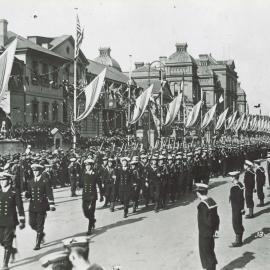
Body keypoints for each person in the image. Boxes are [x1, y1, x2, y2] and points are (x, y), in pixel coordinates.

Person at [25, 164, 56, 250]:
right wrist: (27, 195)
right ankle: (41, 234)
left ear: (40, 171)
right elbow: (29, 194)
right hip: (32, 206)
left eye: (37, 171)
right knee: (31, 224)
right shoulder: (30, 181)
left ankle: (37, 243)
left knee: (40, 225)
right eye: (33, 171)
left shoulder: (45, 181)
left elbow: (49, 193)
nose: (35, 172)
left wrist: (52, 204)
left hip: (42, 205)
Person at [0, 172, 25, 270]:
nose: (2, 182)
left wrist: (22, 219)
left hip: (10, 220)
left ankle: (5, 264)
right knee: (1, 241)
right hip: (0, 220)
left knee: (7, 241)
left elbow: (20, 206)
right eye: (0, 180)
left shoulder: (14, 191)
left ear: (9, 180)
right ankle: (12, 250)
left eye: (4, 180)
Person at [196, 183, 219, 270]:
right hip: (211, 232)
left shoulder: (202, 205)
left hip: (204, 233)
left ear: (198, 193)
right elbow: (216, 218)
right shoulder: (211, 201)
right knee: (210, 252)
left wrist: (209, 230)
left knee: (206, 254)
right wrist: (216, 229)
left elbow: (207, 221)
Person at [81, 159, 102, 235]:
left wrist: (101, 195)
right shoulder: (83, 173)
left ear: (92, 166)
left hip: (92, 196)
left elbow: (99, 185)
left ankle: (89, 228)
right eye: (86, 165)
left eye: (89, 165)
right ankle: (92, 220)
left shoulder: (95, 174)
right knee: (85, 212)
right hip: (85, 195)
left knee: (91, 212)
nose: (87, 167)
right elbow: (81, 184)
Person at [228, 171, 245, 247]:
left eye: (231, 177)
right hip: (238, 207)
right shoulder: (240, 185)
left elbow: (239, 199)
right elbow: (242, 198)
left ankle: (238, 241)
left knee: (236, 222)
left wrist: (241, 208)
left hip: (236, 208)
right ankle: (239, 240)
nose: (230, 178)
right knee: (238, 222)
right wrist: (242, 208)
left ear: (234, 177)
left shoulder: (234, 188)